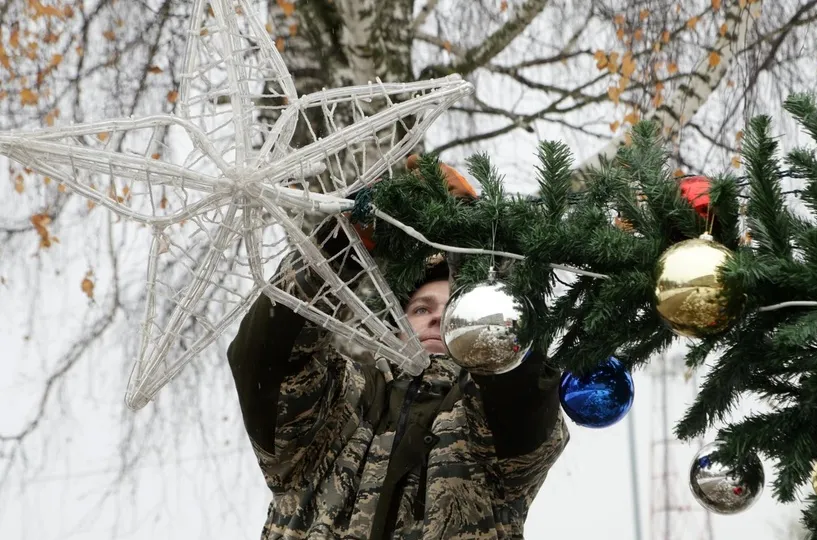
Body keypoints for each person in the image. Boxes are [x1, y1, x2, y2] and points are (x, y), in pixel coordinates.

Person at [227, 158, 569, 540]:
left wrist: (477, 245)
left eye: (457, 311)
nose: (439, 319)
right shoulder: (339, 409)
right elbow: (264, 359)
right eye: (422, 309)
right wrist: (349, 240)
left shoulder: (488, 430)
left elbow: (522, 390)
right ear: (397, 327)